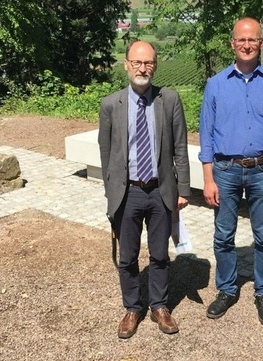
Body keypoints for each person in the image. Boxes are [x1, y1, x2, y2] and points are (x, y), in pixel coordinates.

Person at [198, 17, 263, 325]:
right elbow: (206, 133)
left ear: (261, 44)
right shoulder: (215, 84)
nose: (247, 45)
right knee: (224, 234)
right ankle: (227, 289)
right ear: (233, 44)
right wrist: (208, 178)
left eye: (253, 40)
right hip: (224, 170)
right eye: (242, 40)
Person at [98, 41, 190, 339]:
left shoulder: (170, 100)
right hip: (128, 192)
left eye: (148, 62)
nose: (142, 68)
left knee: (160, 254)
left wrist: (184, 189)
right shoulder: (111, 105)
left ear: (155, 65)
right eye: (137, 62)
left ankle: (160, 306)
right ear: (126, 64)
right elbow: (106, 152)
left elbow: (179, 147)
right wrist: (111, 190)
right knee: (127, 257)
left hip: (160, 190)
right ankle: (133, 307)